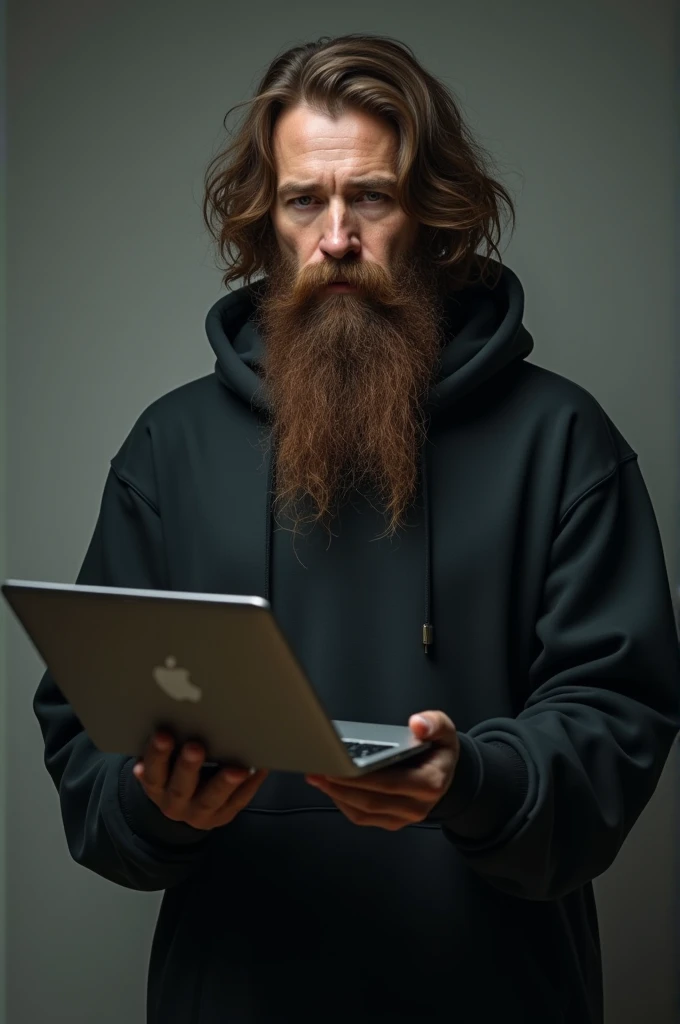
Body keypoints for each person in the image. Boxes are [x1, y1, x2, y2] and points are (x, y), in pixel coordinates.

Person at [33, 32, 680, 1024]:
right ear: (268, 221)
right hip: (233, 995)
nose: (336, 237)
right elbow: (86, 736)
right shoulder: (169, 445)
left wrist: (472, 780)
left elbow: (616, 726)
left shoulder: (564, 439)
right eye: (303, 201)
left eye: (369, 197)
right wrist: (153, 804)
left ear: (431, 214)